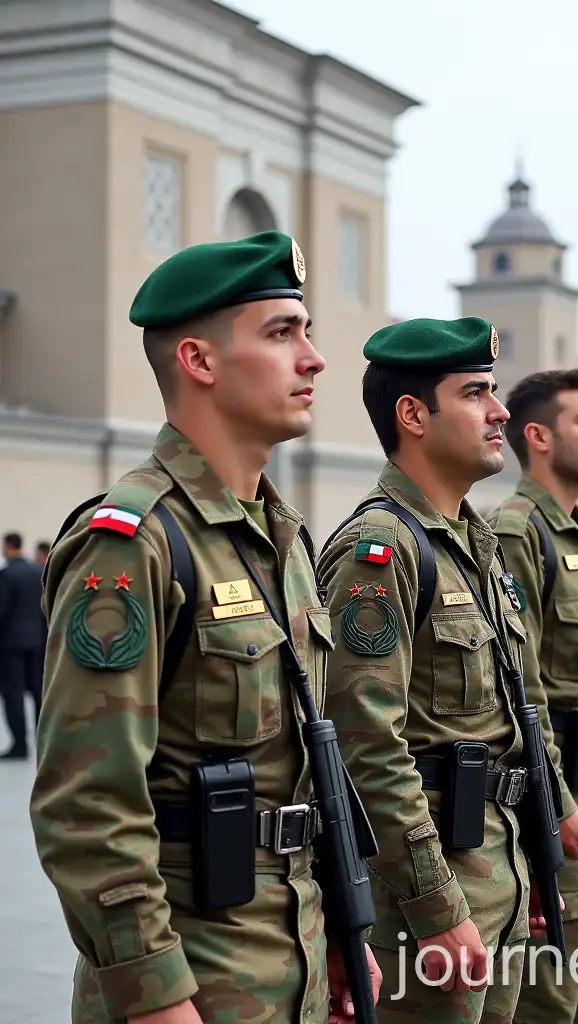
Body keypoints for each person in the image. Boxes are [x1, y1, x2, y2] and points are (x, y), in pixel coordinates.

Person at [29, 231, 381, 1024]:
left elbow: (301, 769)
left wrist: (338, 934)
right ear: (199, 361)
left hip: (290, 955)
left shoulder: (279, 540)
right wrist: (152, 993)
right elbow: (87, 803)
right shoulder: (132, 541)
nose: (315, 359)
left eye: (308, 332)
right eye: (282, 333)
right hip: (195, 979)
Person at [316, 318, 547, 1024]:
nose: (500, 410)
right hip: (425, 899)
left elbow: (510, 717)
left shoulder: (473, 543)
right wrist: (434, 906)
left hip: (494, 876)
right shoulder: (380, 550)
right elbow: (366, 749)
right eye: (476, 392)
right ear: (413, 414)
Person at [486, 367, 578, 1024]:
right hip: (556, 787)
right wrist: (558, 802)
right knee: (549, 991)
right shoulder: (517, 531)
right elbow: (523, 688)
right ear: (537, 436)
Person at [0, 531, 45, 759]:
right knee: (38, 692)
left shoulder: (7, 575)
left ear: (7, 546)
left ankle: (20, 745)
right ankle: (43, 741)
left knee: (13, 694)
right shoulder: (37, 572)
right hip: (36, 642)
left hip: (10, 645)